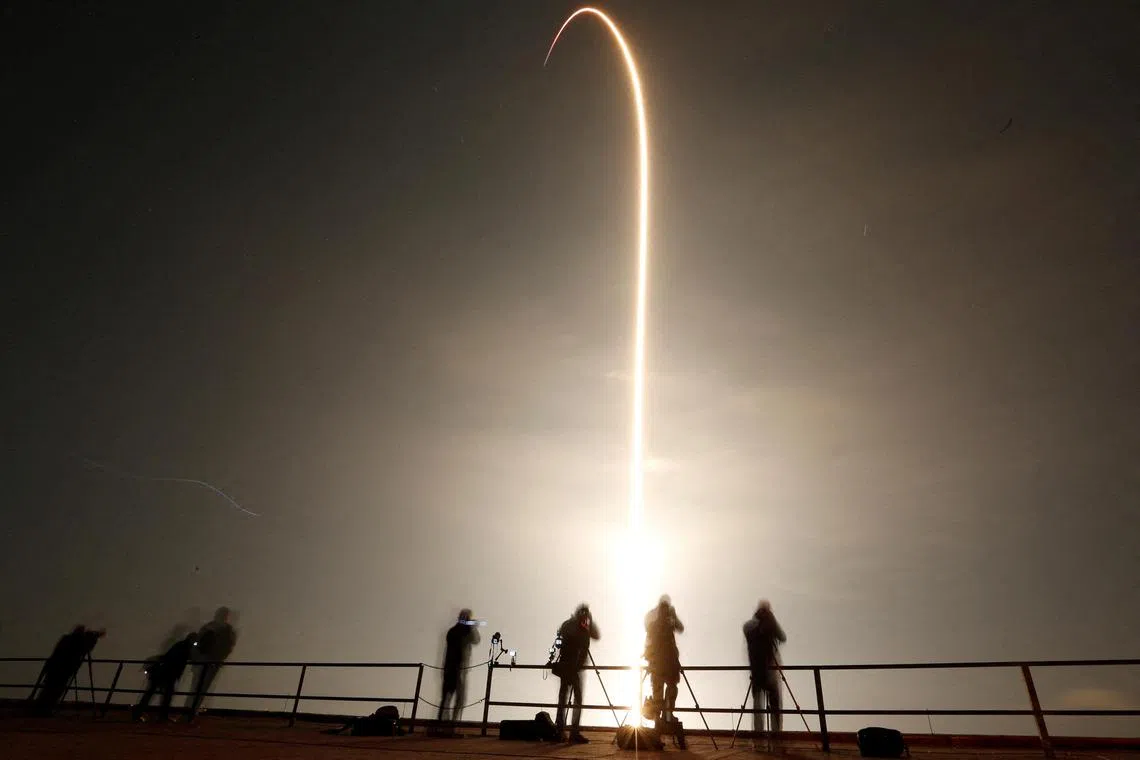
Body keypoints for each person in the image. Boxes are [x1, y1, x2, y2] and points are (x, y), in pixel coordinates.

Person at [551, 603, 599, 744]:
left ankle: (560, 731)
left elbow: (595, 635)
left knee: (563, 698)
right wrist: (587, 622)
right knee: (575, 699)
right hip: (571, 667)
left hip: (569, 667)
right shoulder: (575, 626)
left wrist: (588, 622)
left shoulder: (570, 625)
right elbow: (594, 636)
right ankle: (572, 732)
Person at [30, 625, 105, 715]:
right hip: (64, 669)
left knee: (49, 688)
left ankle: (41, 708)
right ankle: (44, 709)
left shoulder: (67, 639)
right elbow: (87, 646)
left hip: (56, 668)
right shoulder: (79, 642)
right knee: (55, 689)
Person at [743, 600, 786, 745]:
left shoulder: (749, 626)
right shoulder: (760, 626)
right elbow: (782, 637)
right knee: (774, 704)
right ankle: (776, 735)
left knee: (758, 706)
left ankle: (758, 737)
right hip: (769, 672)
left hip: (756, 673)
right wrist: (771, 620)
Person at [133, 633, 197, 722]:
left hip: (161, 672)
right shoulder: (185, 649)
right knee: (166, 695)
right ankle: (161, 715)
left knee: (151, 693)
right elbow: (183, 661)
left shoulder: (179, 645)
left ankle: (138, 713)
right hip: (168, 674)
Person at [187, 607, 237, 719]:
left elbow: (198, 642)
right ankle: (193, 710)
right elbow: (229, 647)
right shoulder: (228, 630)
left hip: (204, 660)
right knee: (202, 686)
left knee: (197, 686)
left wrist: (197, 658)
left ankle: (191, 709)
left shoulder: (209, 626)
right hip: (213, 662)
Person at [437, 608, 481, 735]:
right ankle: (449, 725)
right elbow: (474, 640)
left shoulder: (455, 631)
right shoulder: (457, 632)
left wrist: (471, 627)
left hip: (452, 669)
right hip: (457, 669)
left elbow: (476, 640)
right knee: (455, 698)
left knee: (449, 697)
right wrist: (471, 627)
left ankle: (446, 725)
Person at [644, 595, 684, 726]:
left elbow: (680, 628)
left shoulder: (658, 624)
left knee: (663, 690)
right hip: (663, 663)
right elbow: (680, 628)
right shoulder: (657, 624)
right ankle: (663, 717)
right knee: (663, 690)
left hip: (664, 663)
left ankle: (663, 717)